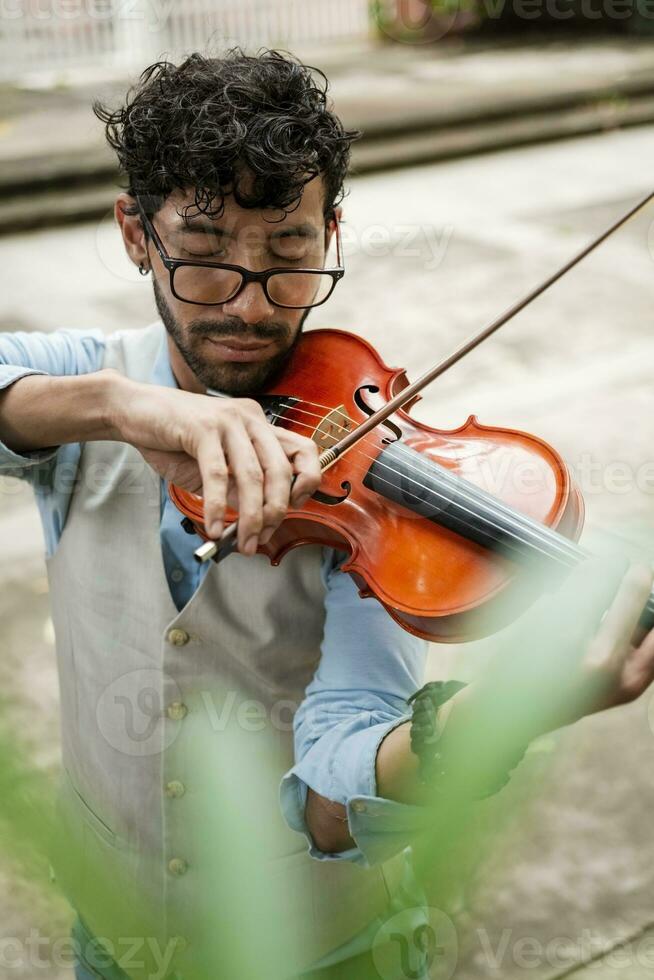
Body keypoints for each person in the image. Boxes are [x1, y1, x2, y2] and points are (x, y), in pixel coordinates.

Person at [1, 49, 654, 980]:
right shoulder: (87, 380)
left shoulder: (370, 488)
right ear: (135, 233)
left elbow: (329, 803)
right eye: (204, 254)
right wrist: (116, 408)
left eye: (290, 255)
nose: (249, 307)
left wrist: (506, 716)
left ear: (331, 232)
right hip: (112, 941)